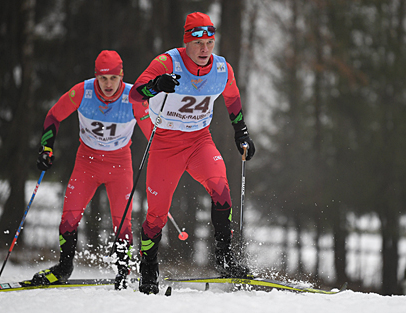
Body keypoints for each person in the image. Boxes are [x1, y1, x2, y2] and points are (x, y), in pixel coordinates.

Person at [129, 12, 256, 294]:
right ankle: (148, 266)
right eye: (198, 42)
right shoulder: (167, 62)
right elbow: (135, 95)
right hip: (165, 144)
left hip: (200, 141)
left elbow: (232, 98)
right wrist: (155, 86)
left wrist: (241, 132)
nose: (204, 49)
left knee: (221, 189)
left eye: (210, 42)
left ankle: (224, 258)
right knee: (156, 216)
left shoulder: (222, 69)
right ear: (187, 42)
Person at [31, 50, 151, 290]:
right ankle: (64, 268)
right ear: (96, 77)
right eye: (103, 78)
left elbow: (152, 134)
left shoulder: (133, 97)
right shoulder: (83, 92)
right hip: (87, 162)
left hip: (120, 165)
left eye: (113, 78)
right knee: (69, 217)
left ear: (121, 76)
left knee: (123, 222)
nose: (108, 84)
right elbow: (54, 115)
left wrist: (163, 159)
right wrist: (46, 148)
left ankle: (122, 271)